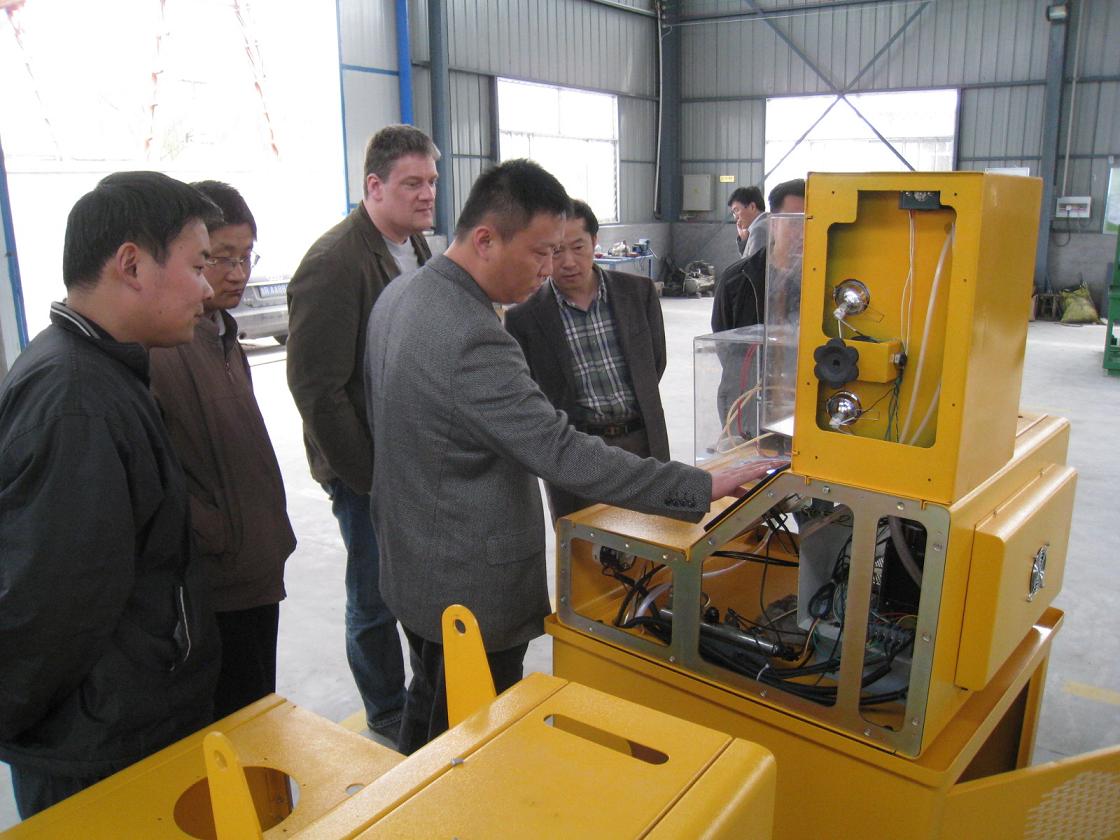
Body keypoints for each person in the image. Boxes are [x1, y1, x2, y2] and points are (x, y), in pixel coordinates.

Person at [365, 159, 769, 754]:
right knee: (474, 743)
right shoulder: (472, 336)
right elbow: (559, 450)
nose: (550, 269)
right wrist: (698, 486)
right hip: (469, 584)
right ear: (485, 239)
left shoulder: (403, 293)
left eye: (561, 251)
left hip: (415, 564)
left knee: (431, 703)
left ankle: (407, 795)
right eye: (540, 253)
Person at [0, 171, 221, 818]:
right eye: (198, 265)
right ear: (131, 264)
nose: (208, 289)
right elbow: (50, 611)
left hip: (121, 724)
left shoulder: (101, 370)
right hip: (100, 752)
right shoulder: (76, 402)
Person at [286, 124, 438, 742]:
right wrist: (368, 476)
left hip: (412, 456)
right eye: (412, 183)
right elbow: (316, 388)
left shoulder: (416, 246)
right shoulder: (333, 263)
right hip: (365, 468)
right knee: (375, 594)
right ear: (374, 187)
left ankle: (426, 691)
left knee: (417, 581)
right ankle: (385, 706)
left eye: (431, 181)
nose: (427, 194)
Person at [149, 181, 296, 721]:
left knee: (257, 709)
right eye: (218, 259)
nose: (237, 273)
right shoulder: (162, 349)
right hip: (216, 580)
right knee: (229, 722)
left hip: (255, 563)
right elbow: (157, 478)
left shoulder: (222, 334)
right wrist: (215, 532)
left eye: (245, 257)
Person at [505, 199, 671, 522]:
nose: (568, 262)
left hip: (643, 443)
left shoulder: (639, 293)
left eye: (578, 247)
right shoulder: (524, 318)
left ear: (595, 241)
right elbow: (530, 394)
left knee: (656, 537)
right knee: (586, 544)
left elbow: (655, 362)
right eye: (556, 251)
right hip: (576, 453)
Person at [712, 178, 806, 333]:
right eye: (795, 223)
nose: (804, 234)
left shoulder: (829, 286)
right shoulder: (735, 282)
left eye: (813, 224)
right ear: (774, 223)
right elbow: (724, 341)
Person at [727, 186, 765, 258]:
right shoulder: (767, 222)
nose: (736, 217)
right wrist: (744, 239)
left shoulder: (759, 229)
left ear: (752, 207)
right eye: (734, 213)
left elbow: (752, 264)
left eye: (736, 210)